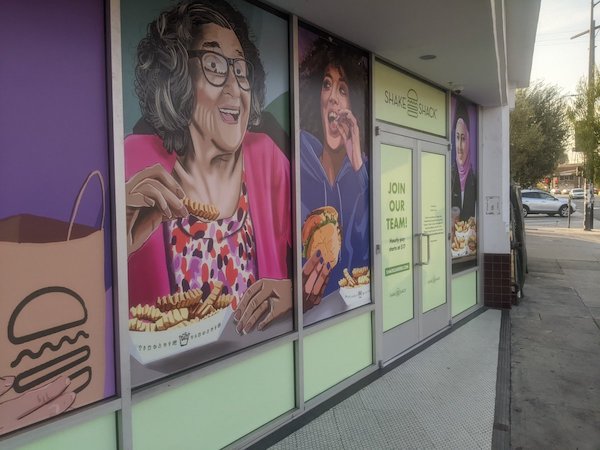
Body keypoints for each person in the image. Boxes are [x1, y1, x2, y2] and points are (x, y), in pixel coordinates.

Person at [125, 0, 292, 335]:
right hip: (163, 381)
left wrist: (293, 294)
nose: (234, 86)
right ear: (177, 78)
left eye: (241, 70)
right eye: (215, 64)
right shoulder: (132, 162)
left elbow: (316, 255)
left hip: (260, 360)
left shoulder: (268, 159)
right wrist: (117, 243)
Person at [299, 34, 370, 308]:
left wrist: (356, 162)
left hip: (351, 308)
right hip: (306, 321)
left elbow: (366, 248)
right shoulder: (299, 162)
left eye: (343, 90)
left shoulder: (360, 173)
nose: (333, 98)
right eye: (326, 85)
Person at [451, 100, 476, 222]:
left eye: (463, 138)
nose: (459, 146)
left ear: (469, 140)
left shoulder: (475, 180)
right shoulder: (449, 176)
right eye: (457, 138)